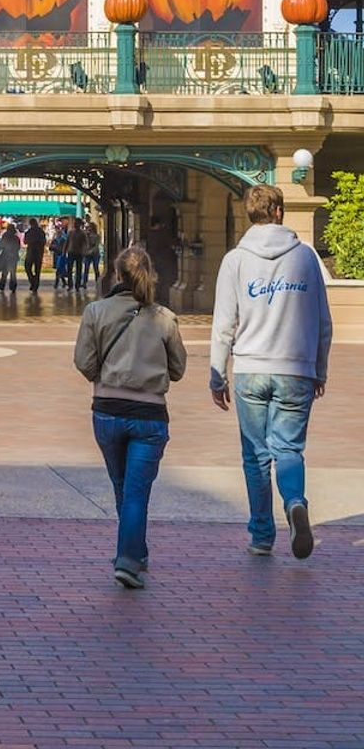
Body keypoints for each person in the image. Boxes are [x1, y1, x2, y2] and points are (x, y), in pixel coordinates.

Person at [210, 184, 332, 560]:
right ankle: (295, 502)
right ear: (279, 212)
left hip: (250, 368)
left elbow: (223, 324)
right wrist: (319, 369)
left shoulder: (235, 260)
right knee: (290, 449)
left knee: (256, 455)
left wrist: (217, 373)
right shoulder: (306, 258)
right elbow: (323, 322)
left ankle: (262, 534)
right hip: (296, 368)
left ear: (250, 213)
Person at [73, 246, 186, 589]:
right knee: (137, 491)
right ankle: (129, 558)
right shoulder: (164, 317)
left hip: (107, 412)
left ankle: (133, 553)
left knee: (123, 487)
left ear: (116, 275)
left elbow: (83, 361)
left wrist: (103, 374)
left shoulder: (96, 311)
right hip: (150, 415)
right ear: (149, 276)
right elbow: (178, 369)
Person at [144, 216, 178, 305]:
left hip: (153, 260)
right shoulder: (162, 234)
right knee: (164, 280)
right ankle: (163, 299)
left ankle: (154, 297)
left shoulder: (149, 234)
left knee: (155, 279)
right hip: (163, 260)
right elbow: (170, 243)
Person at [0, 223, 21, 293]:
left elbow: (1, 245)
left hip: (5, 257)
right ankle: (13, 287)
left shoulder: (5, 236)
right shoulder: (16, 238)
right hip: (14, 257)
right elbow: (18, 247)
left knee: (4, 272)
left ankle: (2, 286)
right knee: (13, 273)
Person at [23, 218, 47, 294]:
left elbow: (25, 241)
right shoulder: (41, 232)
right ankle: (35, 285)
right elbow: (44, 241)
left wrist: (32, 242)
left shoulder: (29, 232)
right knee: (37, 270)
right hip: (39, 253)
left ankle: (33, 282)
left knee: (27, 268)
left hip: (31, 253)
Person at [66, 218, 88, 292]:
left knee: (79, 269)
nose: (75, 224)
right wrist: (64, 251)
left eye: (76, 223)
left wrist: (84, 251)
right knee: (69, 269)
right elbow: (67, 241)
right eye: (74, 223)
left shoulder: (82, 233)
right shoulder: (70, 232)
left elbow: (86, 243)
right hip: (71, 252)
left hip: (79, 253)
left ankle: (77, 285)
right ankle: (70, 284)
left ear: (79, 224)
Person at [50, 222, 70, 290]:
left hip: (62, 256)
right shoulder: (55, 240)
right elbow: (50, 248)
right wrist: (54, 246)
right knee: (60, 270)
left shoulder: (63, 240)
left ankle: (57, 283)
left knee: (59, 270)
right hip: (56, 256)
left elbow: (66, 248)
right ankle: (64, 282)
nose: (58, 233)